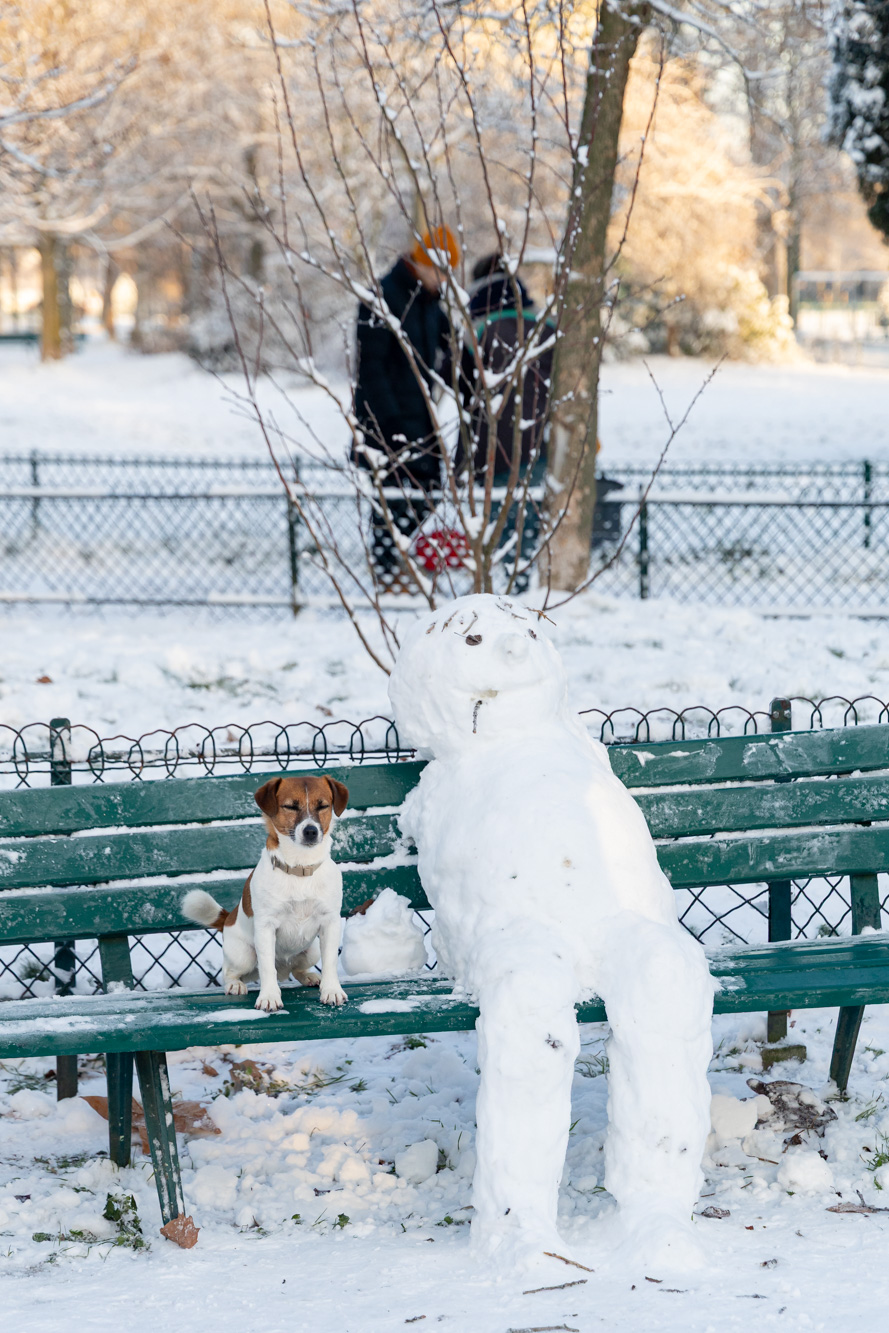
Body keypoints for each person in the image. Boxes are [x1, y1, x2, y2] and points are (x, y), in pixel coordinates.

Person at [354, 227, 460, 589]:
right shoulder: (383, 298)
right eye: (441, 271)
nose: (444, 280)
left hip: (422, 421)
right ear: (423, 264)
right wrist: (392, 428)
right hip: (389, 424)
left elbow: (451, 344)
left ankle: (405, 565)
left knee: (426, 495)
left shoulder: (431, 304)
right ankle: (388, 574)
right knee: (392, 503)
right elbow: (372, 371)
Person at [456, 253, 553, 591]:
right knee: (525, 523)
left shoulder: (477, 331)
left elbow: (462, 394)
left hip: (490, 444)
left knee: (492, 523)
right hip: (538, 443)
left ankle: (487, 593)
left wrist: (461, 460)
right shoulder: (546, 328)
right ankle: (520, 586)